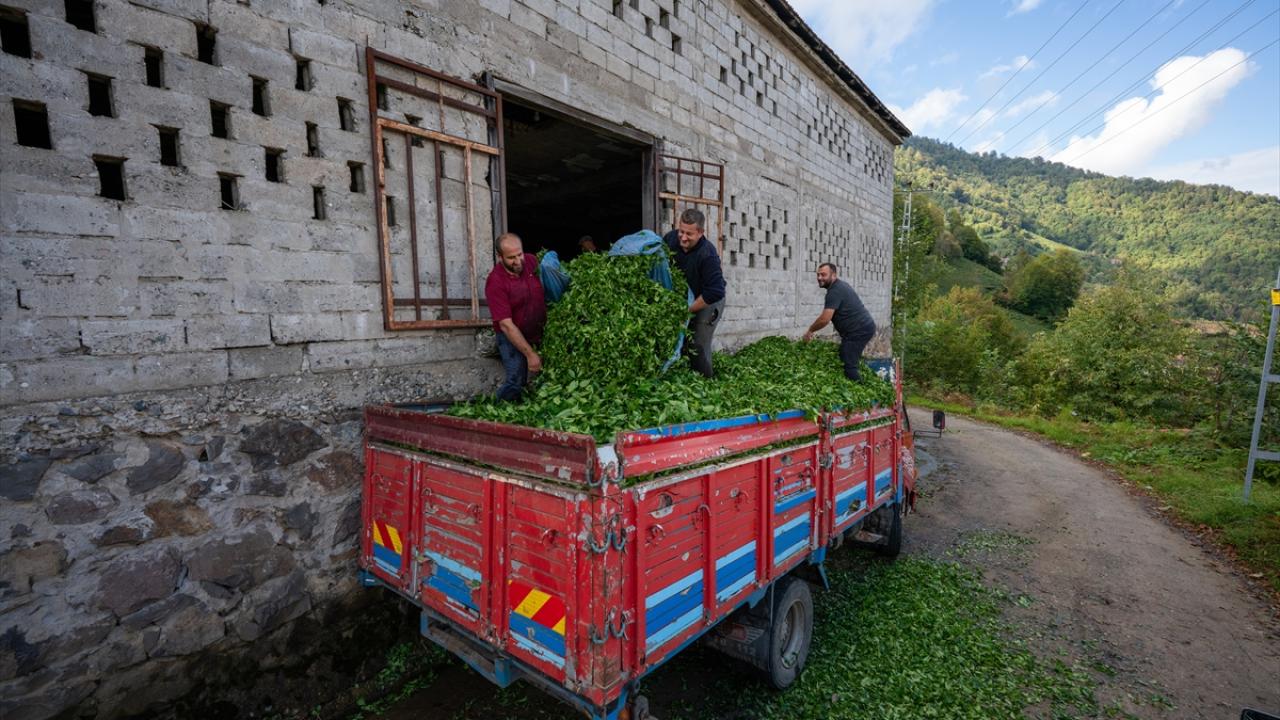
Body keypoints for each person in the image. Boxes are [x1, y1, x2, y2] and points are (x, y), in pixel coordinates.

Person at [663, 208, 726, 378]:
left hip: (708, 299)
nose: (683, 237)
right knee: (677, 339)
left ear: (700, 232)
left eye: (688, 234)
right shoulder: (670, 239)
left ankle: (706, 382)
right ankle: (684, 377)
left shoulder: (707, 254)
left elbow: (715, 291)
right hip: (686, 296)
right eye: (681, 231)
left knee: (697, 343)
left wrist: (687, 310)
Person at [485, 232, 547, 401]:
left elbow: (547, 278)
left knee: (543, 377)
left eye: (519, 254)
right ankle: (498, 415)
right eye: (511, 258)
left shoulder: (532, 261)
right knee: (516, 380)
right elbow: (506, 325)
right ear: (500, 257)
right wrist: (530, 354)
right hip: (511, 335)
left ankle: (528, 410)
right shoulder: (496, 282)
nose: (518, 261)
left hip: (537, 330)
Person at [803, 262, 876, 381]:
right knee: (846, 356)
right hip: (860, 328)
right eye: (818, 275)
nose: (819, 278)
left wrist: (810, 330)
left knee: (848, 365)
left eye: (823, 275)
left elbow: (825, 319)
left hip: (858, 330)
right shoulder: (839, 286)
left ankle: (861, 393)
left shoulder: (835, 291)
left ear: (834, 275)